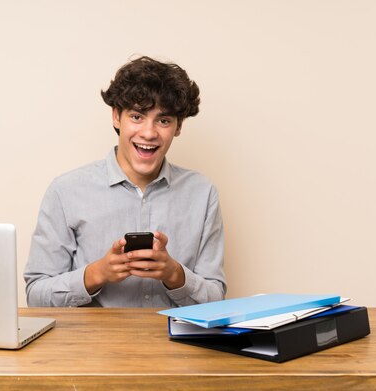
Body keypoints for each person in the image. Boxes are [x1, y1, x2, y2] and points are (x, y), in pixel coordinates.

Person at [24, 56, 226, 307]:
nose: (149, 133)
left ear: (178, 126)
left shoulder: (202, 194)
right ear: (116, 117)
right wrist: (97, 274)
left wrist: (174, 274)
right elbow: (36, 296)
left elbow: (216, 299)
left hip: (175, 344)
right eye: (137, 117)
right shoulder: (65, 191)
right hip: (93, 345)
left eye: (163, 120)